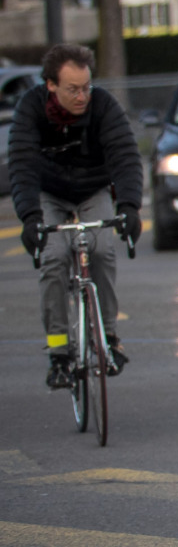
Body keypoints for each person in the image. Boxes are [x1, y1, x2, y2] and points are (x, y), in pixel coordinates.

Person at [9, 43, 142, 386]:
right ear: (51, 85)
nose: (82, 96)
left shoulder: (103, 106)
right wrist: (30, 218)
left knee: (101, 250)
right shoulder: (31, 108)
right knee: (53, 260)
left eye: (86, 87)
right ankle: (58, 354)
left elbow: (125, 156)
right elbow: (22, 165)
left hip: (92, 189)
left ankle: (109, 340)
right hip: (49, 192)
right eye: (73, 89)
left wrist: (129, 206)